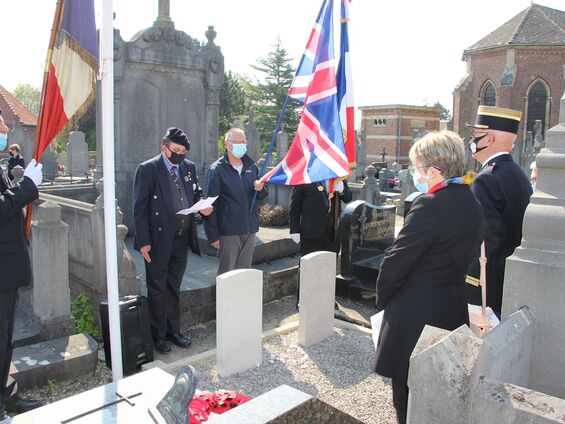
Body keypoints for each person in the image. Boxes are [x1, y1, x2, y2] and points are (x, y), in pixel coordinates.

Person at [374, 131, 484, 424]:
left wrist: (383, 301)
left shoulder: (430, 205)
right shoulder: (472, 203)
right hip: (451, 308)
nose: (416, 174)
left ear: (434, 171)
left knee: (407, 399)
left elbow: (395, 263)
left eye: (417, 168)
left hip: (415, 315)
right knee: (435, 396)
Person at [133, 127, 212, 354]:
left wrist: (204, 205)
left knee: (174, 286)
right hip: (157, 239)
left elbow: (195, 194)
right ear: (164, 148)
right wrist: (143, 241)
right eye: (176, 150)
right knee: (157, 288)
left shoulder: (188, 168)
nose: (180, 154)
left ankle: (173, 330)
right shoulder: (148, 169)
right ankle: (157, 335)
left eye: (183, 151)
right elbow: (139, 208)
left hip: (181, 236)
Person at [465, 106, 532, 317]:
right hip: (509, 281)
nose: (472, 141)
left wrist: (471, 285)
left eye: (476, 135)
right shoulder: (517, 175)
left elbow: (483, 244)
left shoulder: (487, 178)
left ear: (489, 138)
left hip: (487, 287)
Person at [0, 151, 44, 419]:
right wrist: (26, 185)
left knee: (6, 338)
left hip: (7, 267)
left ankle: (4, 396)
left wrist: (26, 187)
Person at [203, 128, 268, 275]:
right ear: (227, 144)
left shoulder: (251, 167)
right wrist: (212, 235)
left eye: (243, 142)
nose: (242, 146)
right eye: (237, 142)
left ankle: (242, 299)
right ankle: (224, 299)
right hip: (229, 231)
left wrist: (260, 188)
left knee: (244, 272)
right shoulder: (217, 170)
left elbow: (262, 195)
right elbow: (209, 205)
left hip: (249, 229)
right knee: (227, 273)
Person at [289, 180, 352, 256]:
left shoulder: (338, 174)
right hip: (311, 233)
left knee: (330, 264)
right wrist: (294, 229)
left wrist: (342, 190)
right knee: (310, 265)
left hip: (333, 233)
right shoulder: (305, 177)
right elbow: (295, 207)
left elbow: (348, 198)